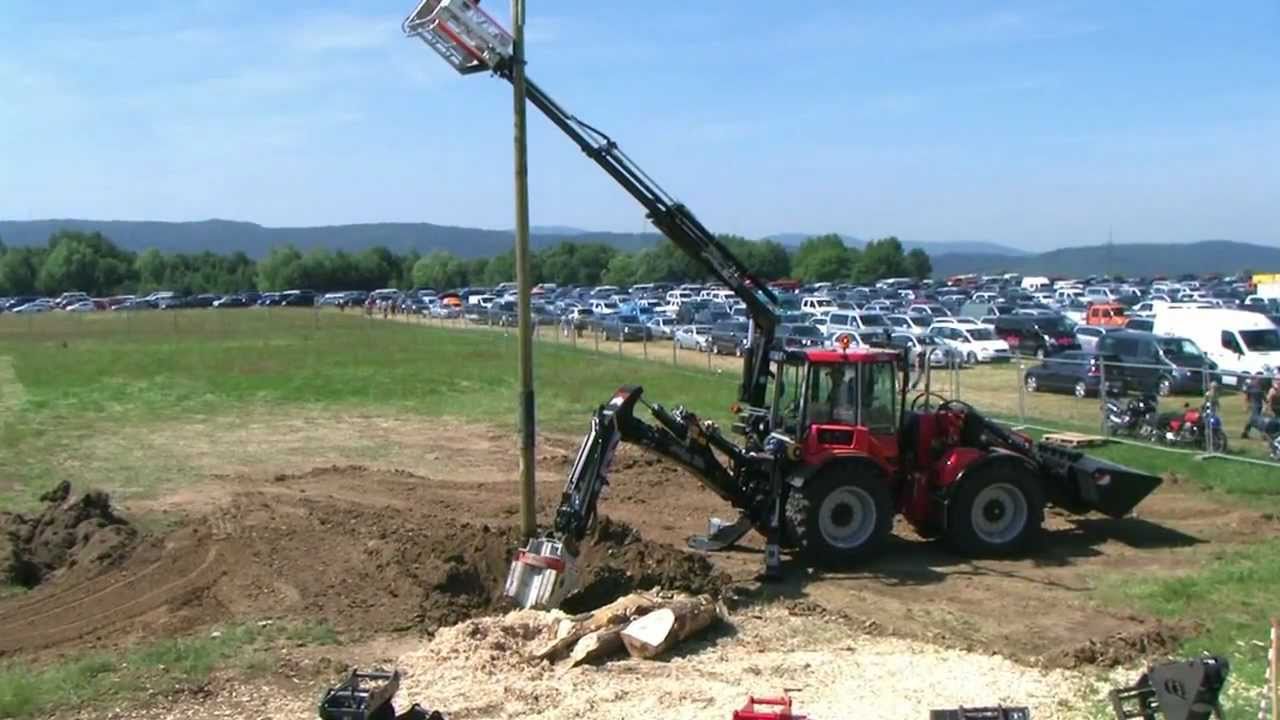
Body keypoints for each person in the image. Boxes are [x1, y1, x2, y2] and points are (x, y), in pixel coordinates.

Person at [1242, 373, 1266, 439]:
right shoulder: (1251, 385)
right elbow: (1246, 396)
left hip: (1259, 405)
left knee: (1251, 420)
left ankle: (1244, 433)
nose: (1261, 379)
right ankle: (1263, 434)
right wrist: (1245, 406)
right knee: (1257, 420)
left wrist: (1266, 401)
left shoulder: (1261, 385)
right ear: (1256, 378)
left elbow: (1262, 394)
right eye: (1260, 377)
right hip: (1254, 405)